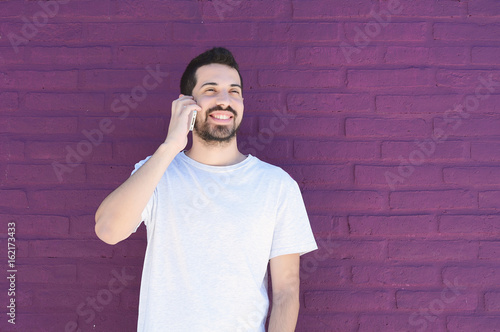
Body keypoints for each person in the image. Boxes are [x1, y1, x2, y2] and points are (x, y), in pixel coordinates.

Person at [94, 47, 317, 332]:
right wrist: (171, 146)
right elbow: (108, 230)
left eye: (233, 91)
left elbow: (286, 290)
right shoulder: (158, 172)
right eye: (211, 90)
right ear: (186, 103)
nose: (224, 100)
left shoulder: (276, 185)